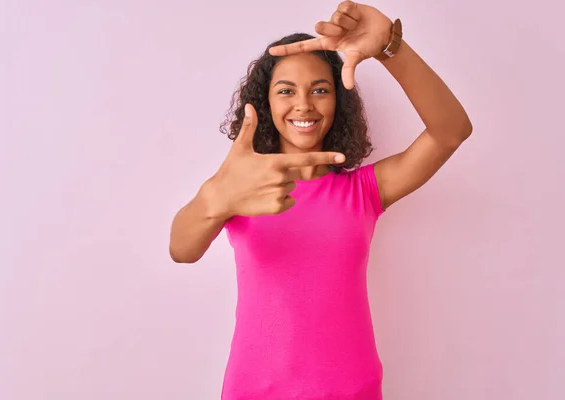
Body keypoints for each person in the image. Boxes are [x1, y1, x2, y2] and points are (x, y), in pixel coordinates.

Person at [170, 1, 472, 399]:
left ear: (338, 102)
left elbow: (451, 131)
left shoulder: (364, 191)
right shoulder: (242, 187)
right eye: (286, 90)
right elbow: (181, 250)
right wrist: (216, 197)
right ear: (264, 103)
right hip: (255, 390)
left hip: (352, 390)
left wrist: (390, 48)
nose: (303, 104)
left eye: (320, 90)